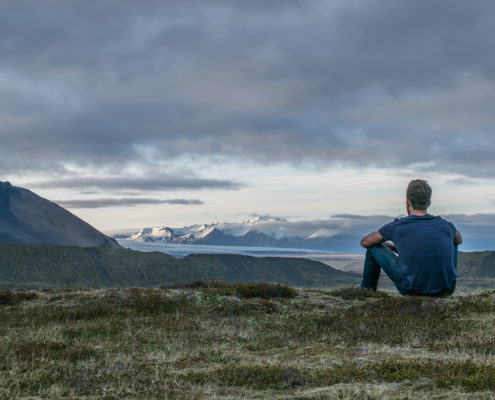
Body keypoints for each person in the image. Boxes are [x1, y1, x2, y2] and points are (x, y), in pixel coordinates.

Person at [360, 179, 462, 296]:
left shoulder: (397, 226)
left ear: (408, 202)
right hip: (447, 289)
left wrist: (385, 245)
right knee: (454, 241)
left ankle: (366, 293)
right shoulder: (447, 225)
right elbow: (459, 239)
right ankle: (444, 281)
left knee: (373, 248)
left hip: (411, 290)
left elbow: (365, 242)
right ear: (429, 203)